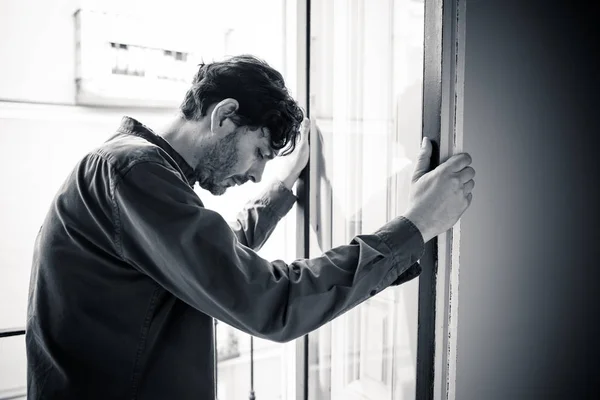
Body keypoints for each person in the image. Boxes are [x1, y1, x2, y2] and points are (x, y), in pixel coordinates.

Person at [26, 55, 475, 399]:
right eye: (259, 151)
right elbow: (268, 300)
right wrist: (415, 226)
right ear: (224, 116)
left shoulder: (133, 170)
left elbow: (216, 258)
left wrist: (281, 190)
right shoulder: (132, 171)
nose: (257, 173)